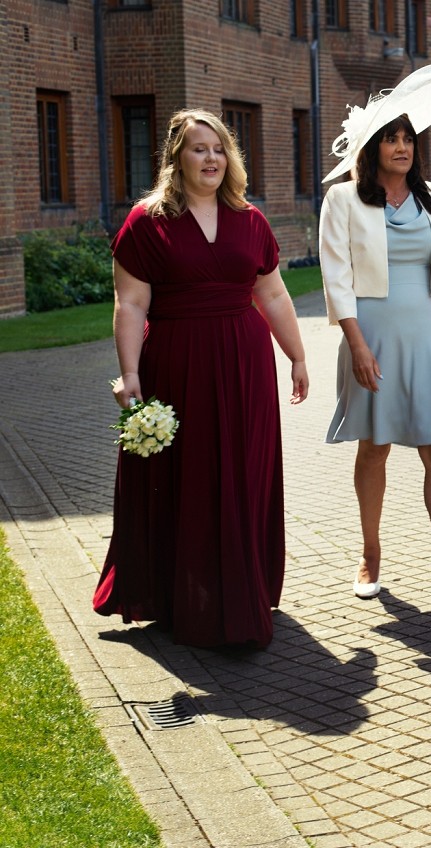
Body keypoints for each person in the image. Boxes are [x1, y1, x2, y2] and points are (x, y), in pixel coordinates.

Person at [94, 109, 310, 649]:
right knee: (186, 478)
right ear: (176, 158)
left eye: (218, 148)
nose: (210, 158)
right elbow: (131, 303)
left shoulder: (251, 220)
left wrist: (298, 356)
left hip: (245, 365)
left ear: (229, 156)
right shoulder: (146, 223)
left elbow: (274, 294)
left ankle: (243, 588)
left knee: (243, 473)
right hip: (178, 364)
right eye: (198, 148)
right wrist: (129, 373)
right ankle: (179, 597)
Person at [319, 64, 431, 618]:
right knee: (376, 445)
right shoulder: (343, 201)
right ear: (370, 148)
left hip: (430, 333)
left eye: (408, 137)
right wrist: (356, 342)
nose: (402, 146)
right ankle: (370, 552)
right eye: (391, 137)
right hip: (372, 334)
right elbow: (335, 276)